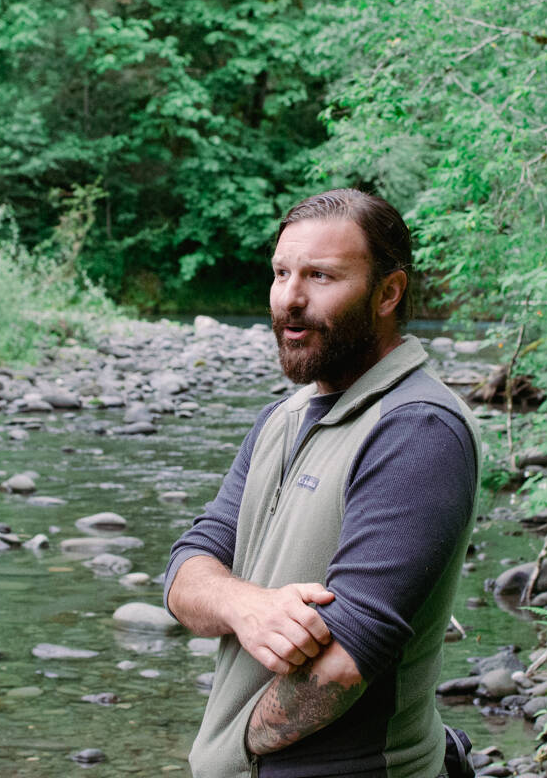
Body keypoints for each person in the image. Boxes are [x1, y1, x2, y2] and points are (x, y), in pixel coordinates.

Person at [164, 188, 481, 778]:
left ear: (388, 292)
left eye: (322, 276)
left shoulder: (418, 430)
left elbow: (341, 665)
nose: (290, 298)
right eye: (281, 273)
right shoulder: (280, 420)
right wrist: (246, 603)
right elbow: (186, 569)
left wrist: (234, 749)